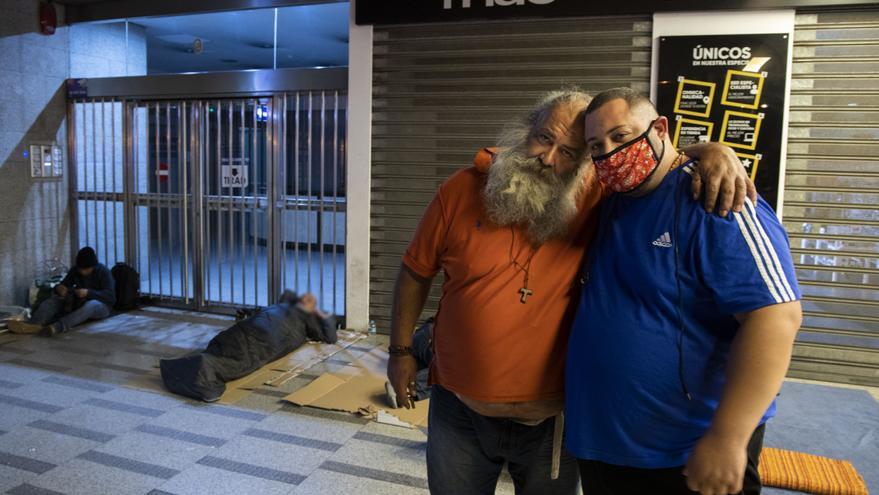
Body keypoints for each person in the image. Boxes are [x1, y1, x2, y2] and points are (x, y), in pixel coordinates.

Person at [387, 88, 756, 495]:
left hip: (554, 421)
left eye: (569, 152)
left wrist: (712, 151)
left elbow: (651, 160)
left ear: (586, 164)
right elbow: (414, 272)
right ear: (525, 130)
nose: (549, 158)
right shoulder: (461, 189)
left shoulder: (600, 196)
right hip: (459, 412)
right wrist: (401, 352)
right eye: (544, 138)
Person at [565, 88, 802, 495]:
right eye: (596, 146)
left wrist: (728, 438)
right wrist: (709, 147)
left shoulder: (717, 198)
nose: (610, 153)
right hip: (607, 443)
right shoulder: (610, 199)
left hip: (686, 448)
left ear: (659, 129)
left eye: (622, 137)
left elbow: (776, 317)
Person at [160, 291, 338, 402]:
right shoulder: (305, 315)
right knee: (236, 362)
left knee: (223, 350)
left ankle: (193, 366)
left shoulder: (275, 307)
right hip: (264, 339)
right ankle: (201, 372)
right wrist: (319, 312)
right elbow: (330, 337)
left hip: (245, 329)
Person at [9, 247, 115, 337]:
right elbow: (64, 284)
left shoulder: (103, 272)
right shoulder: (75, 270)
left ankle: (57, 327)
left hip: (101, 306)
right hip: (78, 302)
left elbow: (110, 297)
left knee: (91, 305)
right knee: (54, 300)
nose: (83, 272)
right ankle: (34, 324)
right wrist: (60, 288)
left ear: (93, 266)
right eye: (80, 269)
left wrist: (88, 293)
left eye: (86, 269)